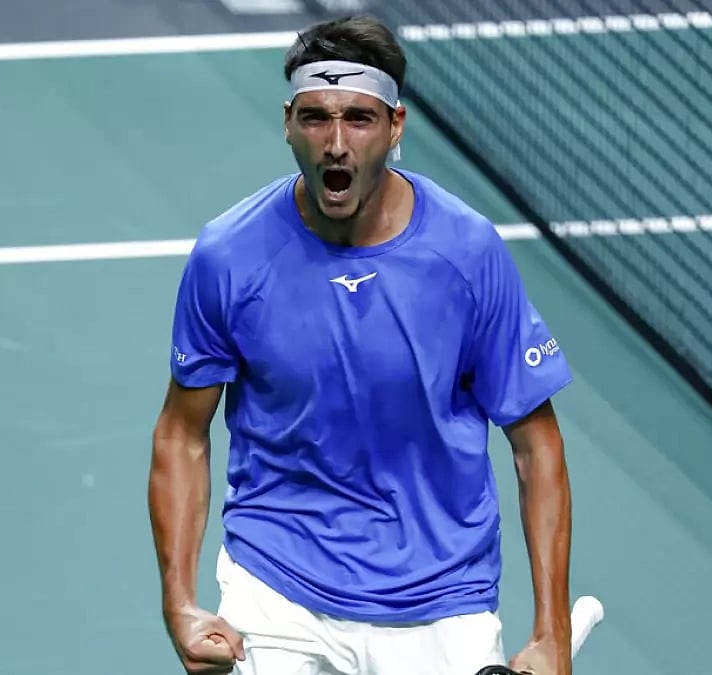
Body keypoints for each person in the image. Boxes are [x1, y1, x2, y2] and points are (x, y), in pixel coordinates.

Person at [148, 14, 574, 675]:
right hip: (278, 583)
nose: (336, 144)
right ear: (288, 122)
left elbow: (535, 444)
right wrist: (180, 602)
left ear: (395, 126)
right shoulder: (229, 256)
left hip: (438, 592)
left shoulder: (466, 254)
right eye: (316, 117)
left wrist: (552, 631)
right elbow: (182, 433)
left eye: (359, 118)